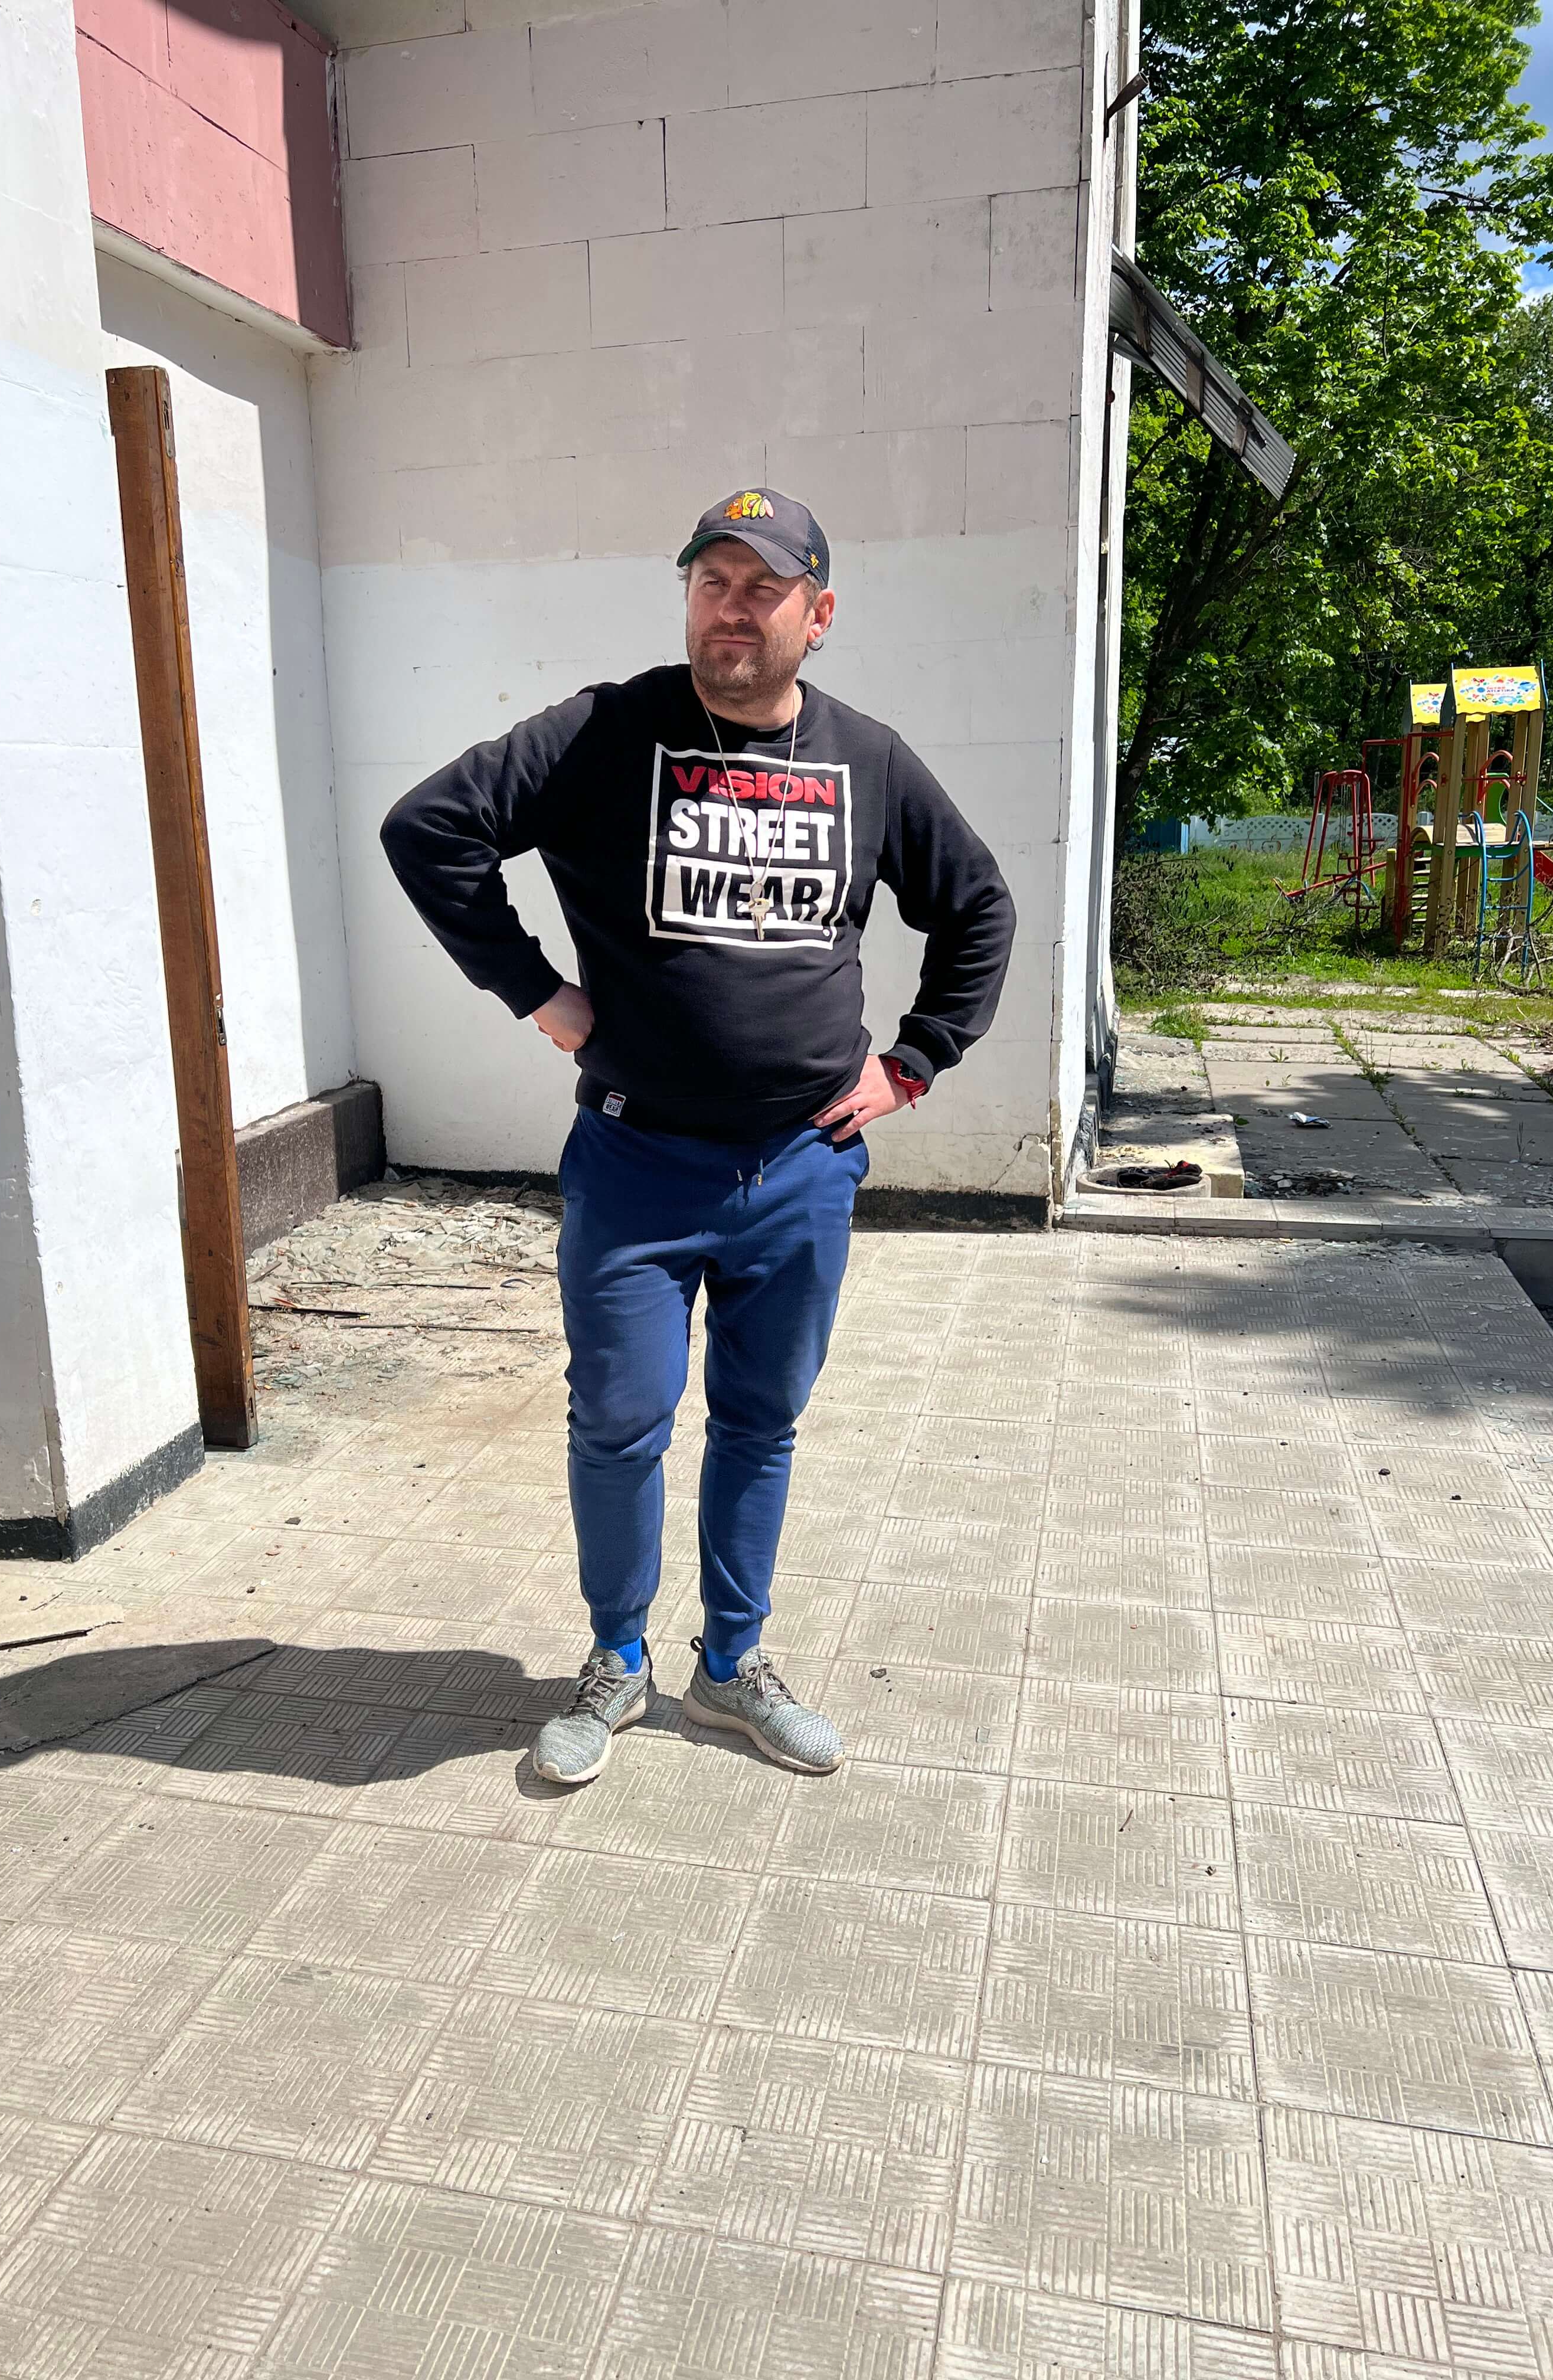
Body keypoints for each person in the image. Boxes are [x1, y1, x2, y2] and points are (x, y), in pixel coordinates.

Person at [381, 488, 1016, 1786]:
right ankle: (617, 1661)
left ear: (816, 615)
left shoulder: (870, 760)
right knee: (619, 1421)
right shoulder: (605, 732)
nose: (733, 608)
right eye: (712, 582)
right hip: (637, 1164)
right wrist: (537, 992)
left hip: (799, 1169)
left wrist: (913, 1063)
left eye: (763, 587)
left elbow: (978, 909)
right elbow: (428, 830)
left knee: (759, 1423)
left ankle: (731, 1667)